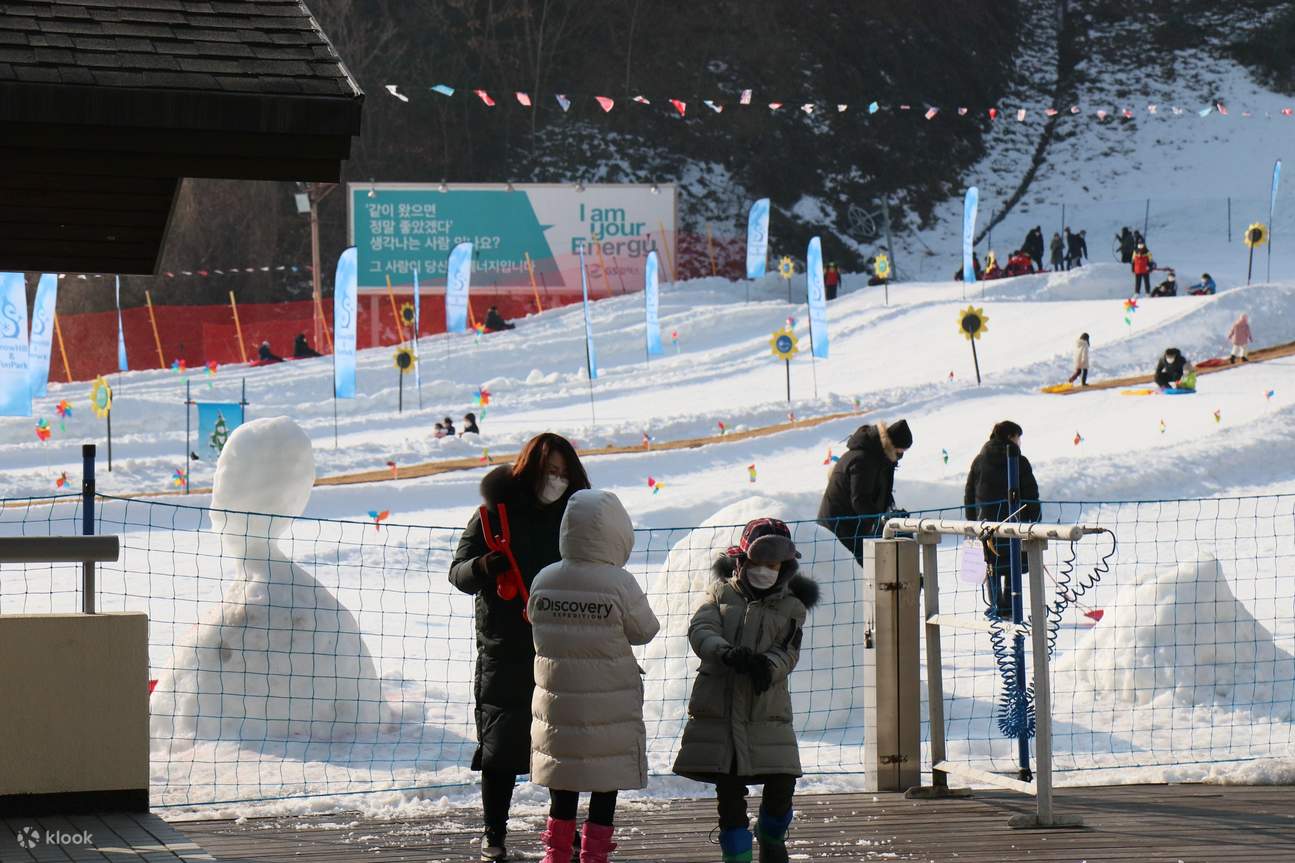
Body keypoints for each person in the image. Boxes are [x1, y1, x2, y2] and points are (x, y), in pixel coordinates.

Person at [448, 434, 592, 862]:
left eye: (565, 473)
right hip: (504, 647)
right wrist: (482, 566)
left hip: (564, 644)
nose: (557, 481)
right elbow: (457, 572)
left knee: (563, 745)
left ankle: (563, 832)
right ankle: (494, 832)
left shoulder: (580, 515)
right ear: (530, 468)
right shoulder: (494, 517)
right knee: (500, 746)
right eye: (551, 471)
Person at [672, 517, 819, 863]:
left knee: (783, 781)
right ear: (742, 560)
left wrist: (766, 667)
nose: (764, 570)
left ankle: (772, 836)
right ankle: (736, 856)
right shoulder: (719, 593)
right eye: (758, 563)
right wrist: (725, 652)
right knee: (730, 794)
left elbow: (788, 651)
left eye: (773, 564)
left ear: (784, 567)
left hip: (767, 710)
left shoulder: (792, 607)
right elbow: (701, 628)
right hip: (720, 712)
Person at [529, 489, 660, 863]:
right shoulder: (619, 583)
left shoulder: (544, 578)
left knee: (563, 780)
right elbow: (644, 631)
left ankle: (556, 853)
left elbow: (534, 621)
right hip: (609, 701)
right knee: (605, 783)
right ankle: (595, 855)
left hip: (556, 700)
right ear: (617, 533)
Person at [964, 421, 1041, 618]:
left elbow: (969, 494)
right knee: (1013, 562)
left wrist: (972, 522)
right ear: (1010, 437)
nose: (1020, 441)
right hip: (1015, 522)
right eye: (1018, 437)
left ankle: (996, 606)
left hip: (986, 524)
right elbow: (1031, 494)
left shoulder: (979, 460)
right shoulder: (1018, 461)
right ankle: (1011, 606)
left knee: (992, 564)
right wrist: (1034, 521)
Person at [817, 420, 912, 563]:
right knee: (867, 569)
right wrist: (880, 520)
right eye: (901, 451)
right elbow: (860, 499)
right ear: (892, 445)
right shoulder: (863, 460)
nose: (901, 455)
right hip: (840, 529)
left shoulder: (877, 457)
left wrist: (887, 512)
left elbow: (878, 492)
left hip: (852, 527)